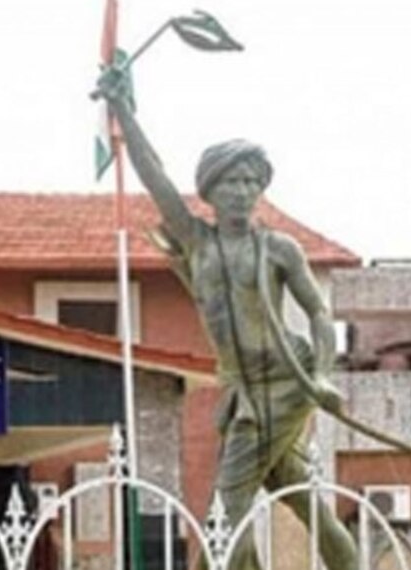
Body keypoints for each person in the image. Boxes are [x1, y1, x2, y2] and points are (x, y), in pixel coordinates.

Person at [96, 60, 357, 570]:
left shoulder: (278, 248)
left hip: (285, 382)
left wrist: (323, 376)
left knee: (227, 504)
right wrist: (122, 109)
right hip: (239, 387)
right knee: (294, 489)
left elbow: (318, 313)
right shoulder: (197, 242)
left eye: (251, 181)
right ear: (211, 191)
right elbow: (154, 174)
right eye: (232, 182)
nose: (243, 191)